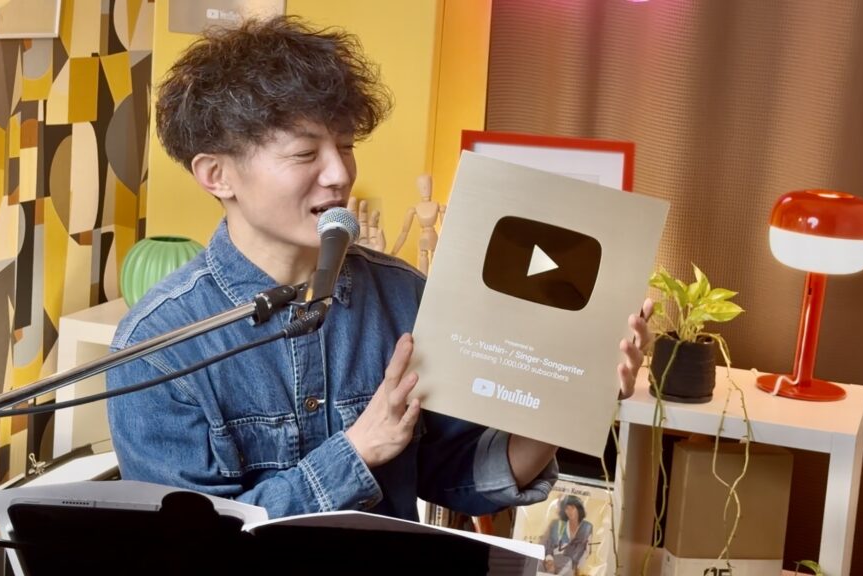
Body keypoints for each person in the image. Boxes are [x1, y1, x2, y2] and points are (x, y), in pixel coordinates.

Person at [106, 16, 651, 522]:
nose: (339, 174)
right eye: (305, 154)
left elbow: (458, 476)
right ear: (216, 175)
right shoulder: (157, 346)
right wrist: (357, 452)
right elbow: (191, 542)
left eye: (345, 146)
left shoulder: (405, 295)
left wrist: (573, 401)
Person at [389, 173, 444, 275]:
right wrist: (393, 252)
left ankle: (435, 277)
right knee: (424, 256)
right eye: (423, 186)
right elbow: (404, 232)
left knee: (434, 257)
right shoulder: (415, 209)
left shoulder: (437, 206)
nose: (425, 188)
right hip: (425, 238)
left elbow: (446, 229)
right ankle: (424, 279)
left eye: (427, 185)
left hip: (433, 237)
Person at [540, 495, 594, 575]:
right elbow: (546, 543)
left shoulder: (586, 527)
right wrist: (549, 560)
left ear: (579, 509)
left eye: (572, 508)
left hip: (570, 564)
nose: (569, 511)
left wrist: (577, 568)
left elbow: (586, 551)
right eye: (567, 508)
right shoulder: (556, 524)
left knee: (566, 564)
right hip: (550, 560)